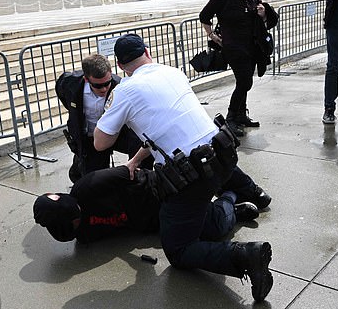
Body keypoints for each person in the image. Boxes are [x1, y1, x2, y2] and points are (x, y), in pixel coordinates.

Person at [93, 33, 274, 302]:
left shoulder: (125, 91)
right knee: (198, 216)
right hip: (223, 156)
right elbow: (163, 128)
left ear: (120, 66)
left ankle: (245, 255)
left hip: (191, 178)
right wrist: (138, 158)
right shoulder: (172, 72)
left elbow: (100, 143)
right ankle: (244, 198)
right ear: (147, 51)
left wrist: (111, 109)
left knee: (178, 250)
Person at [34, 164, 270, 244]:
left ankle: (229, 196)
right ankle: (230, 205)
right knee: (209, 230)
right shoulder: (74, 233)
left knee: (214, 225)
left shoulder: (88, 187)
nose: (79, 220)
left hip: (158, 192)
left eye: (77, 214)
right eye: (74, 221)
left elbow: (130, 171)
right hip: (154, 222)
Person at [199, 0, 278, 137]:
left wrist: (263, 14)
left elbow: (266, 22)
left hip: (252, 48)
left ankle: (241, 115)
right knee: (244, 82)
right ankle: (230, 119)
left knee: (246, 81)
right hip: (233, 48)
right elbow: (204, 16)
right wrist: (212, 35)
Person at [56, 54, 153, 182]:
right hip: (89, 138)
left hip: (116, 134)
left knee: (142, 148)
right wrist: (75, 112)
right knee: (92, 180)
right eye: (98, 86)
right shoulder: (70, 83)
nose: (104, 88)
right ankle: (78, 167)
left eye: (107, 83)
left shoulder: (120, 86)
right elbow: (62, 93)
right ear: (86, 79)